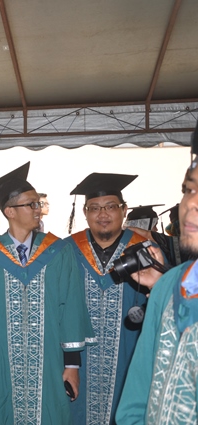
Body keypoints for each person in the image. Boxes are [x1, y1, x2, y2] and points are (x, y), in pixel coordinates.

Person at [0, 162, 93, 425]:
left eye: (39, 204)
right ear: (9, 211)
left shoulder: (58, 252)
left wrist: (72, 365)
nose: (37, 209)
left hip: (51, 364)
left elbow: (71, 308)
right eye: (31, 204)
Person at [115, 121, 198, 423]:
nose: (192, 203)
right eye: (189, 189)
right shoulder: (170, 285)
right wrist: (164, 285)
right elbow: (135, 404)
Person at [64, 173, 153, 425]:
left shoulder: (147, 252)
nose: (102, 214)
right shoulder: (66, 250)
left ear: (124, 210)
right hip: (77, 362)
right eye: (94, 208)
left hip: (131, 356)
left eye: (110, 207)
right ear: (85, 212)